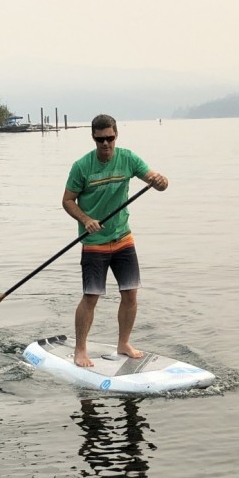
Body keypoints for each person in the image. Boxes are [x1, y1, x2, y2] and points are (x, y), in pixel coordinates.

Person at [62, 114, 169, 367]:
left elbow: (158, 183)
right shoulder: (81, 167)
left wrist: (161, 181)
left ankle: (123, 343)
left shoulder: (128, 158)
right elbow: (67, 200)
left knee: (130, 294)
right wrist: (86, 219)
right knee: (91, 297)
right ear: (93, 138)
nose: (106, 144)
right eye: (100, 139)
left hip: (123, 238)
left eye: (110, 138)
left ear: (116, 135)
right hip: (94, 242)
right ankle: (80, 350)